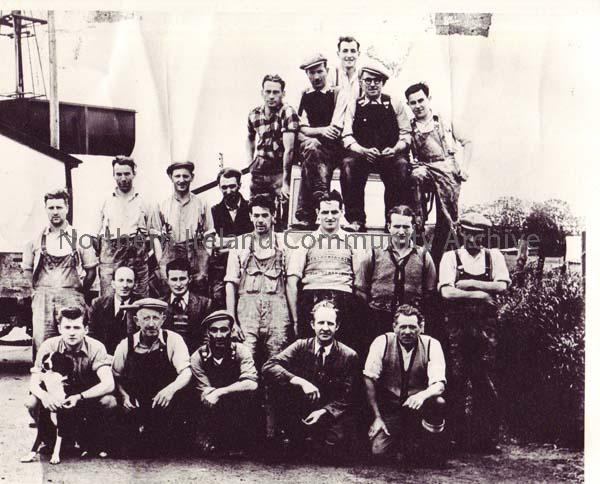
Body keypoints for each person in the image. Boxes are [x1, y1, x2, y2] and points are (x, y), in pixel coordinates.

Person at [438, 212, 510, 453]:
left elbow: (502, 285)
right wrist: (482, 294)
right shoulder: (450, 257)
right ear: (460, 232)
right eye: (468, 234)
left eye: (478, 235)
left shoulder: (494, 256)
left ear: (485, 235)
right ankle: (456, 438)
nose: (472, 239)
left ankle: (485, 439)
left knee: (484, 380)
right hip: (457, 328)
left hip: (486, 329)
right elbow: (447, 292)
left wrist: (470, 285)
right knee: (456, 379)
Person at [225, 194, 293, 437]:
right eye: (256, 215)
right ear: (250, 216)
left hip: (278, 315)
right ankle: (243, 433)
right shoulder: (241, 245)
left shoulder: (285, 244)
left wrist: (293, 320)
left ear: (274, 216)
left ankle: (274, 432)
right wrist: (232, 321)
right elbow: (230, 284)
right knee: (245, 369)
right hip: (247, 314)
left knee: (276, 370)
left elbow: (292, 284)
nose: (260, 220)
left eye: (265, 215)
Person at [262, 300, 359, 460]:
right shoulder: (300, 346)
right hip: (301, 409)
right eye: (321, 323)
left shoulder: (349, 355)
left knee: (336, 446)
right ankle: (286, 436)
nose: (325, 328)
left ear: (337, 326)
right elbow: (269, 366)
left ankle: (315, 442)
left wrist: (324, 411)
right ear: (312, 324)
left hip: (329, 413)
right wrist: (300, 381)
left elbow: (348, 396)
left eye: (330, 323)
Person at [25, 307, 117, 456]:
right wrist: (45, 397)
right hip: (55, 395)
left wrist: (79, 397)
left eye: (77, 327)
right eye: (67, 327)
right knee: (31, 402)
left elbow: (108, 384)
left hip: (85, 396)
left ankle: (93, 438)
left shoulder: (96, 347)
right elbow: (34, 382)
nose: (72, 332)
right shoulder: (49, 346)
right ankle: (47, 436)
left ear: (86, 329)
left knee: (109, 401)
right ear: (59, 329)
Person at [287, 190, 368, 355]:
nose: (330, 217)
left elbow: (360, 284)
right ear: (318, 213)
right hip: (310, 299)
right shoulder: (306, 241)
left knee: (343, 352)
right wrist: (295, 320)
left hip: (344, 300)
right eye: (325, 212)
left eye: (334, 212)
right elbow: (292, 281)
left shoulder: (353, 241)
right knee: (309, 353)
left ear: (342, 212)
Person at [364, 305, 447, 464]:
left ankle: (431, 444)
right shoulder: (382, 342)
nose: (407, 331)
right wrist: (377, 417)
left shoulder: (432, 344)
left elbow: (439, 384)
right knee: (378, 452)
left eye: (412, 327)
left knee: (438, 402)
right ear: (394, 327)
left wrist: (422, 396)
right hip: (391, 409)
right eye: (402, 327)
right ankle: (404, 444)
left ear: (421, 327)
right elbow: (369, 379)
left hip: (418, 409)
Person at [112, 298, 193, 455]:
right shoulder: (125, 344)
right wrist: (124, 396)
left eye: (155, 318)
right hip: (136, 405)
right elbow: (115, 376)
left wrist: (170, 390)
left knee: (168, 448)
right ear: (136, 321)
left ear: (163, 319)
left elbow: (186, 372)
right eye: (145, 318)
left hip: (164, 403)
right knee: (131, 450)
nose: (151, 324)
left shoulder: (173, 340)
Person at [22, 189, 97, 357]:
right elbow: (27, 269)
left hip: (71, 297)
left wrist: (77, 292)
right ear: (46, 209)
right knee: (43, 344)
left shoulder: (80, 238)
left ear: (67, 208)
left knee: (72, 342)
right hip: (43, 300)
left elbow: (91, 271)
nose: (55, 212)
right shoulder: (35, 238)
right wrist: (37, 291)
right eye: (51, 208)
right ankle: (41, 374)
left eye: (59, 207)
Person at [405, 82, 472, 267]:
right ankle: (418, 227)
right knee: (415, 176)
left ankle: (440, 258)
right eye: (413, 103)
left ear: (429, 99)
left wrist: (465, 168)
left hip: (447, 167)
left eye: (421, 100)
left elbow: (468, 142)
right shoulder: (409, 126)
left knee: (447, 217)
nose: (418, 106)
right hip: (424, 166)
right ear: (408, 105)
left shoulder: (444, 120)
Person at [341, 61, 412, 232]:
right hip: (362, 155)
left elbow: (406, 134)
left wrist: (395, 149)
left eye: (377, 81)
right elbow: (347, 136)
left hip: (390, 155)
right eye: (368, 80)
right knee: (348, 165)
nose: (372, 84)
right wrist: (362, 150)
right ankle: (356, 220)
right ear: (361, 82)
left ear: (383, 83)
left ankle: (393, 222)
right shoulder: (354, 105)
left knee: (401, 166)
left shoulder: (394, 103)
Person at [189, 310, 259, 456]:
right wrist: (214, 394)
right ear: (207, 333)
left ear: (231, 331)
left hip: (237, 404)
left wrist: (221, 392)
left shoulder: (241, 351)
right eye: (214, 330)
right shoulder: (198, 356)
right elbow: (205, 393)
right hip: (213, 407)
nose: (219, 335)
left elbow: (251, 383)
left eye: (223, 330)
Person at [365, 205, 437, 337]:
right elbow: (361, 287)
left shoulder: (423, 255)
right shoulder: (374, 254)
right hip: (378, 318)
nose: (401, 231)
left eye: (406, 227)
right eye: (397, 226)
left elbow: (430, 290)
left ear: (413, 228)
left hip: (410, 320)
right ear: (389, 227)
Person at [95, 156, 156, 298]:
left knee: (140, 301)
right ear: (113, 175)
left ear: (134, 174)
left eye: (127, 174)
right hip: (110, 263)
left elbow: (153, 236)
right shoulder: (105, 201)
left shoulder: (144, 202)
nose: (123, 178)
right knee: (109, 300)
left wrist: (141, 253)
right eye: (119, 174)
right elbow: (95, 236)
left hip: (137, 262)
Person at [293, 54, 343, 229]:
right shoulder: (304, 95)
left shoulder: (337, 93)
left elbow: (335, 129)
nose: (316, 77)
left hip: (334, 148)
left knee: (311, 152)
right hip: (312, 148)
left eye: (319, 71)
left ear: (327, 70)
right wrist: (321, 130)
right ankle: (321, 193)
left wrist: (311, 131)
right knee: (312, 149)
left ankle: (305, 214)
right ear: (307, 74)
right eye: (311, 73)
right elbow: (299, 127)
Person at [246, 74, 300, 228]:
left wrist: (286, 182)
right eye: (268, 91)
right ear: (262, 92)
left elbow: (289, 149)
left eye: (276, 92)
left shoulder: (287, 112)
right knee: (257, 208)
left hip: (279, 168)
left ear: (283, 93)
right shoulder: (254, 114)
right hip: (260, 168)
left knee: (282, 210)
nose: (271, 96)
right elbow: (250, 137)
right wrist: (250, 162)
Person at [153, 161, 212, 296]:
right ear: (171, 177)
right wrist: (160, 260)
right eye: (177, 176)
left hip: (196, 253)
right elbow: (155, 235)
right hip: (171, 253)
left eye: (185, 176)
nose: (181, 180)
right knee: (170, 291)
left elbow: (209, 232)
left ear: (192, 177)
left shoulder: (202, 203)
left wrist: (206, 257)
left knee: (198, 291)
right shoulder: (162, 204)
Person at [207, 168, 253, 308]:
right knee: (218, 298)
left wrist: (225, 243)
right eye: (224, 187)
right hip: (222, 267)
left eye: (232, 186)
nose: (228, 191)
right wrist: (243, 240)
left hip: (248, 265)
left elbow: (255, 240)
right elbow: (214, 244)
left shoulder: (251, 208)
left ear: (239, 185)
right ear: (219, 187)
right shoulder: (214, 211)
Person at [162, 258, 212, 353]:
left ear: (190, 279)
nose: (178, 284)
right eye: (174, 279)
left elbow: (207, 336)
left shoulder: (205, 303)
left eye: (182, 279)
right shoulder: (160, 304)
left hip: (195, 355)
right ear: (167, 280)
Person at [88, 266, 139, 355]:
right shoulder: (98, 304)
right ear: (113, 283)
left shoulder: (140, 306)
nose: (125, 285)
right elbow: (92, 335)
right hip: (104, 355)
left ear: (135, 285)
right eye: (121, 280)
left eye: (129, 281)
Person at [329, 36, 362, 129]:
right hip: (333, 127)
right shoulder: (331, 75)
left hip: (355, 128)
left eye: (353, 51)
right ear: (338, 54)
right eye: (345, 51)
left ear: (358, 54)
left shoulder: (362, 77)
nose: (349, 55)